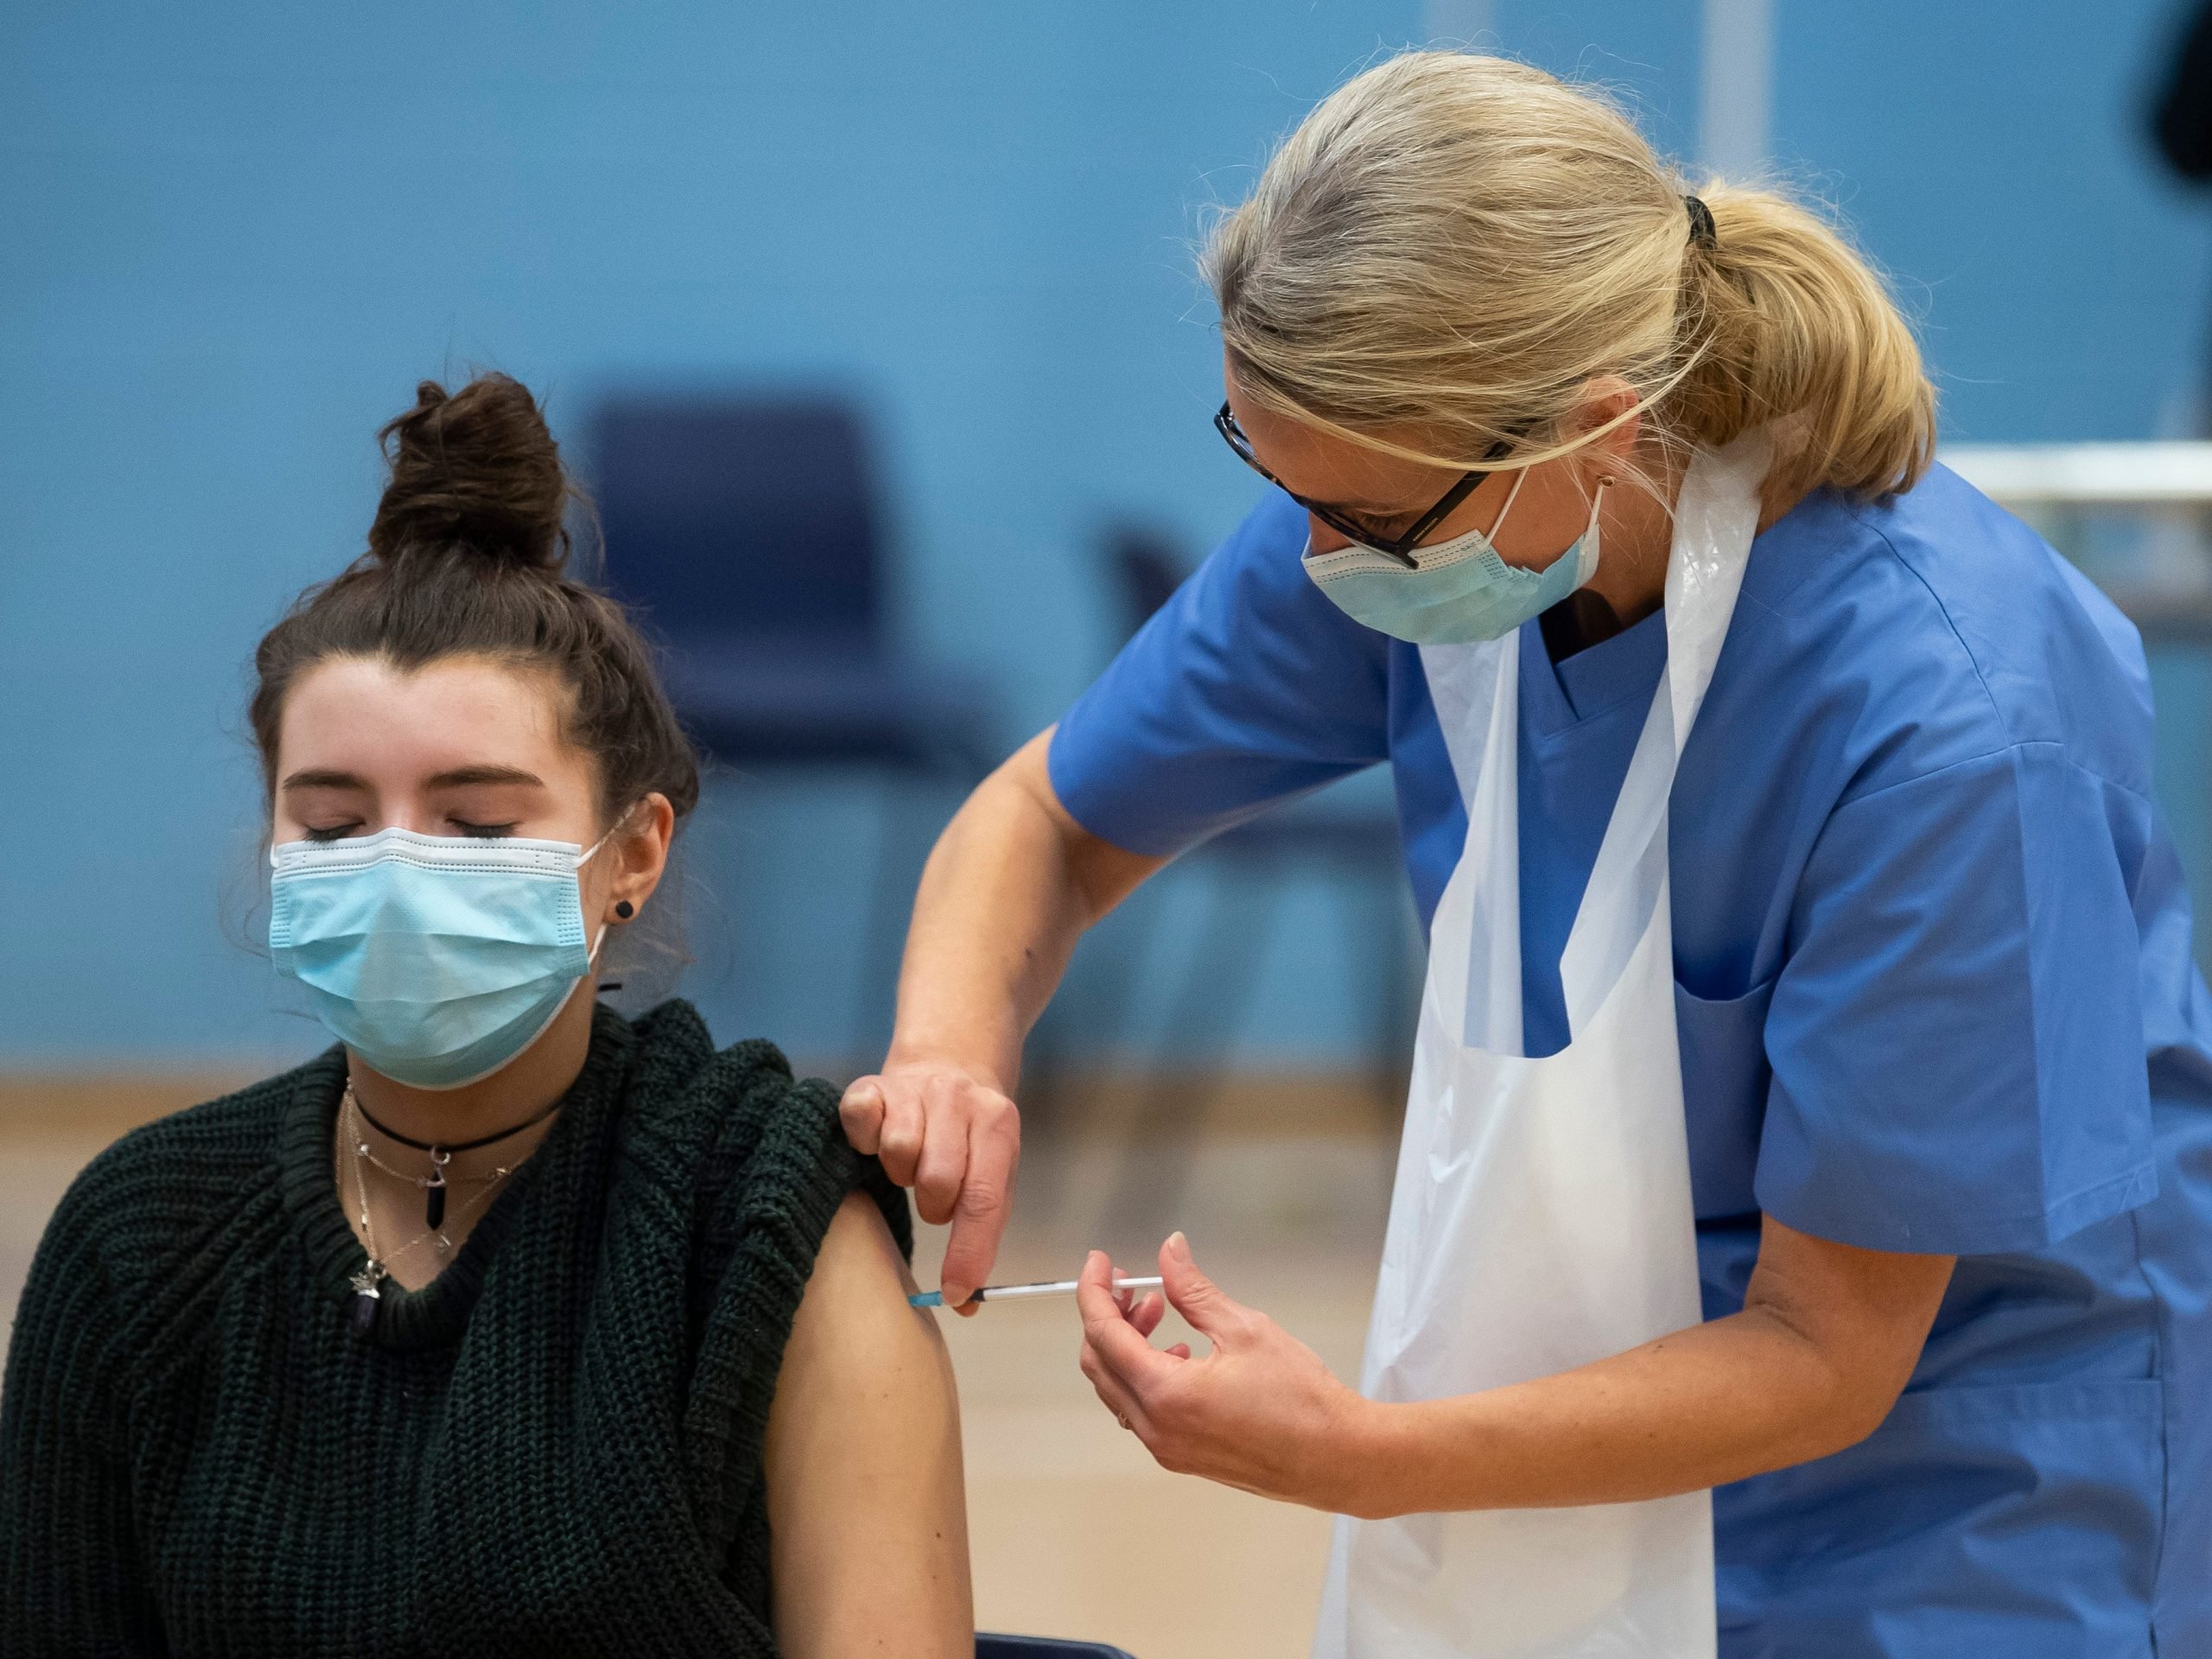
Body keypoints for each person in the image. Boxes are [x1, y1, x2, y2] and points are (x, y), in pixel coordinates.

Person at [840, 51, 2212, 1656]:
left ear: (1597, 425)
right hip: (1594, 1389)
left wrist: (1355, 1459)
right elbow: (1050, 820)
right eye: (1282, 487)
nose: (1309, 562)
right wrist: (950, 1061)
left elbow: (1828, 1353)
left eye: (1361, 518)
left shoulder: (1949, 723)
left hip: (1952, 1487)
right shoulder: (1406, 516)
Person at [0, 374, 972, 1657]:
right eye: (336, 822)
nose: (401, 871)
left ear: (634, 854)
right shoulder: (141, 1239)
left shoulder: (761, 1221)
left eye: (478, 823)